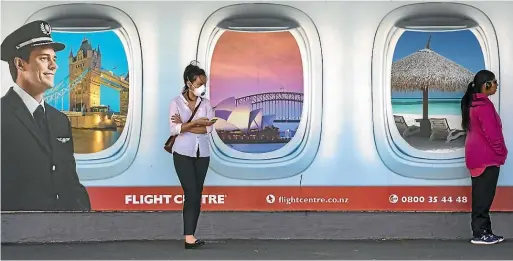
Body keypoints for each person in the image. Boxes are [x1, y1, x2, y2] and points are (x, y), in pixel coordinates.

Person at [1, 20, 91, 211]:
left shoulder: (60, 120)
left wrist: (86, 222)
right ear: (20, 64)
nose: (54, 66)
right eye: (44, 58)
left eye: (55, 59)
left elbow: (70, 181)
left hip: (63, 231)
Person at [169, 62, 215, 249]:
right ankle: (189, 237)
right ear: (189, 83)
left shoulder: (207, 104)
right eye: (199, 84)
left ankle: (191, 236)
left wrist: (186, 126)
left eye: (204, 83)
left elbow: (209, 129)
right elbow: (174, 129)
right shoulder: (176, 103)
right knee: (192, 193)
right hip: (182, 154)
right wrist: (196, 123)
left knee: (197, 194)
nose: (202, 87)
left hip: (202, 154)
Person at [461, 69, 507, 245]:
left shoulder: (473, 103)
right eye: (494, 82)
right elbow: (493, 134)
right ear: (486, 85)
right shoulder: (484, 106)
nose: (496, 86)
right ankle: (480, 233)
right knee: (483, 196)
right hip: (485, 157)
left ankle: (485, 231)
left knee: (482, 194)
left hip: (476, 155)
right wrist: (501, 152)